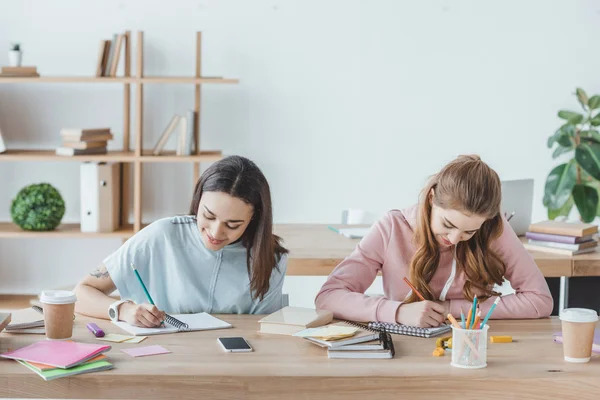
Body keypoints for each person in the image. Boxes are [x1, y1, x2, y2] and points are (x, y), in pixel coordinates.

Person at [315, 155, 553, 328]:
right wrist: (397, 311)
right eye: (448, 225)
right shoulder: (392, 227)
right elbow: (328, 297)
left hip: (473, 347)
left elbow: (540, 300)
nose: (454, 239)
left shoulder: (493, 229)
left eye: (469, 232)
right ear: (431, 199)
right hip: (403, 349)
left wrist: (453, 309)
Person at [74, 155, 288, 327]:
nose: (215, 232)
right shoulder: (162, 234)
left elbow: (266, 332)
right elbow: (81, 293)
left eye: (233, 225)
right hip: (161, 359)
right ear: (198, 200)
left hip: (235, 367)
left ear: (254, 219)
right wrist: (122, 310)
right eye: (209, 216)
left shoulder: (271, 258)